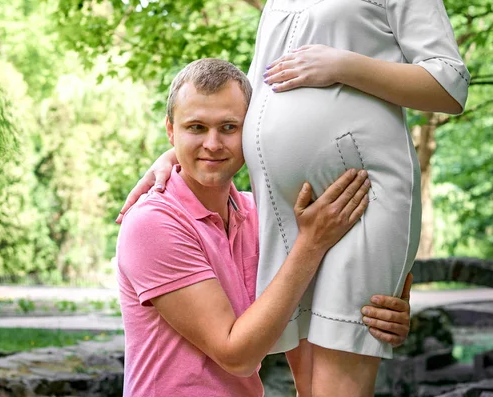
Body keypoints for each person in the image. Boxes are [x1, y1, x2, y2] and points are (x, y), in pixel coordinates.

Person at [119, 1, 469, 395]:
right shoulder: (152, 222)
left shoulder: (249, 217)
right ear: (171, 130)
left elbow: (451, 83)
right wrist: (312, 242)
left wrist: (390, 307)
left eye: (228, 128)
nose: (212, 144)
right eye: (195, 129)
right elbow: (236, 353)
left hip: (359, 196)